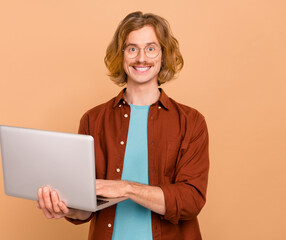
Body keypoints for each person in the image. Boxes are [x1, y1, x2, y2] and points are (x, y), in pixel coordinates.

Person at [37, 11, 209, 240]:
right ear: (121, 55)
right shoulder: (92, 119)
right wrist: (67, 208)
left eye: (151, 48)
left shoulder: (191, 121)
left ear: (163, 55)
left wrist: (126, 188)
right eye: (132, 48)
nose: (141, 58)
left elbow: (191, 200)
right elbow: (86, 204)